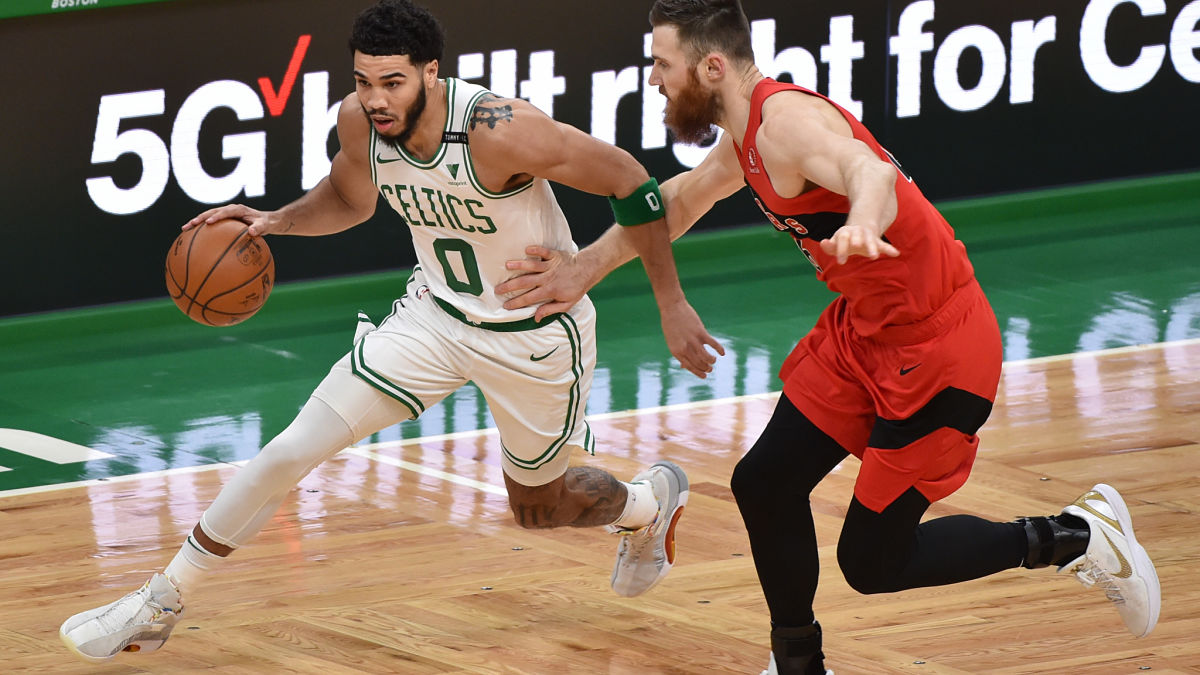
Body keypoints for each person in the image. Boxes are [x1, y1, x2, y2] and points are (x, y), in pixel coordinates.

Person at [494, 1, 1161, 673]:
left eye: (663, 65)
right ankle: (798, 664)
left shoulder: (786, 124)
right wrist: (583, 267)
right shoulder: (747, 131)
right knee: (764, 483)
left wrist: (867, 220)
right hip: (865, 333)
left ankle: (1076, 536)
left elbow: (871, 173)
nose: (654, 79)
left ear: (712, 66)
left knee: (872, 562)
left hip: (937, 349)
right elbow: (687, 196)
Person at [59, 0, 727, 663]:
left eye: (392, 82)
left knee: (540, 509)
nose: (375, 98)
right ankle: (161, 598)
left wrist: (647, 294)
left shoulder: (500, 130)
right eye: (362, 81)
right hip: (432, 318)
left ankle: (646, 504)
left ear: (431, 73)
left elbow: (633, 184)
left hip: (533, 333)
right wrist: (275, 221)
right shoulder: (360, 124)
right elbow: (351, 199)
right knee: (291, 448)